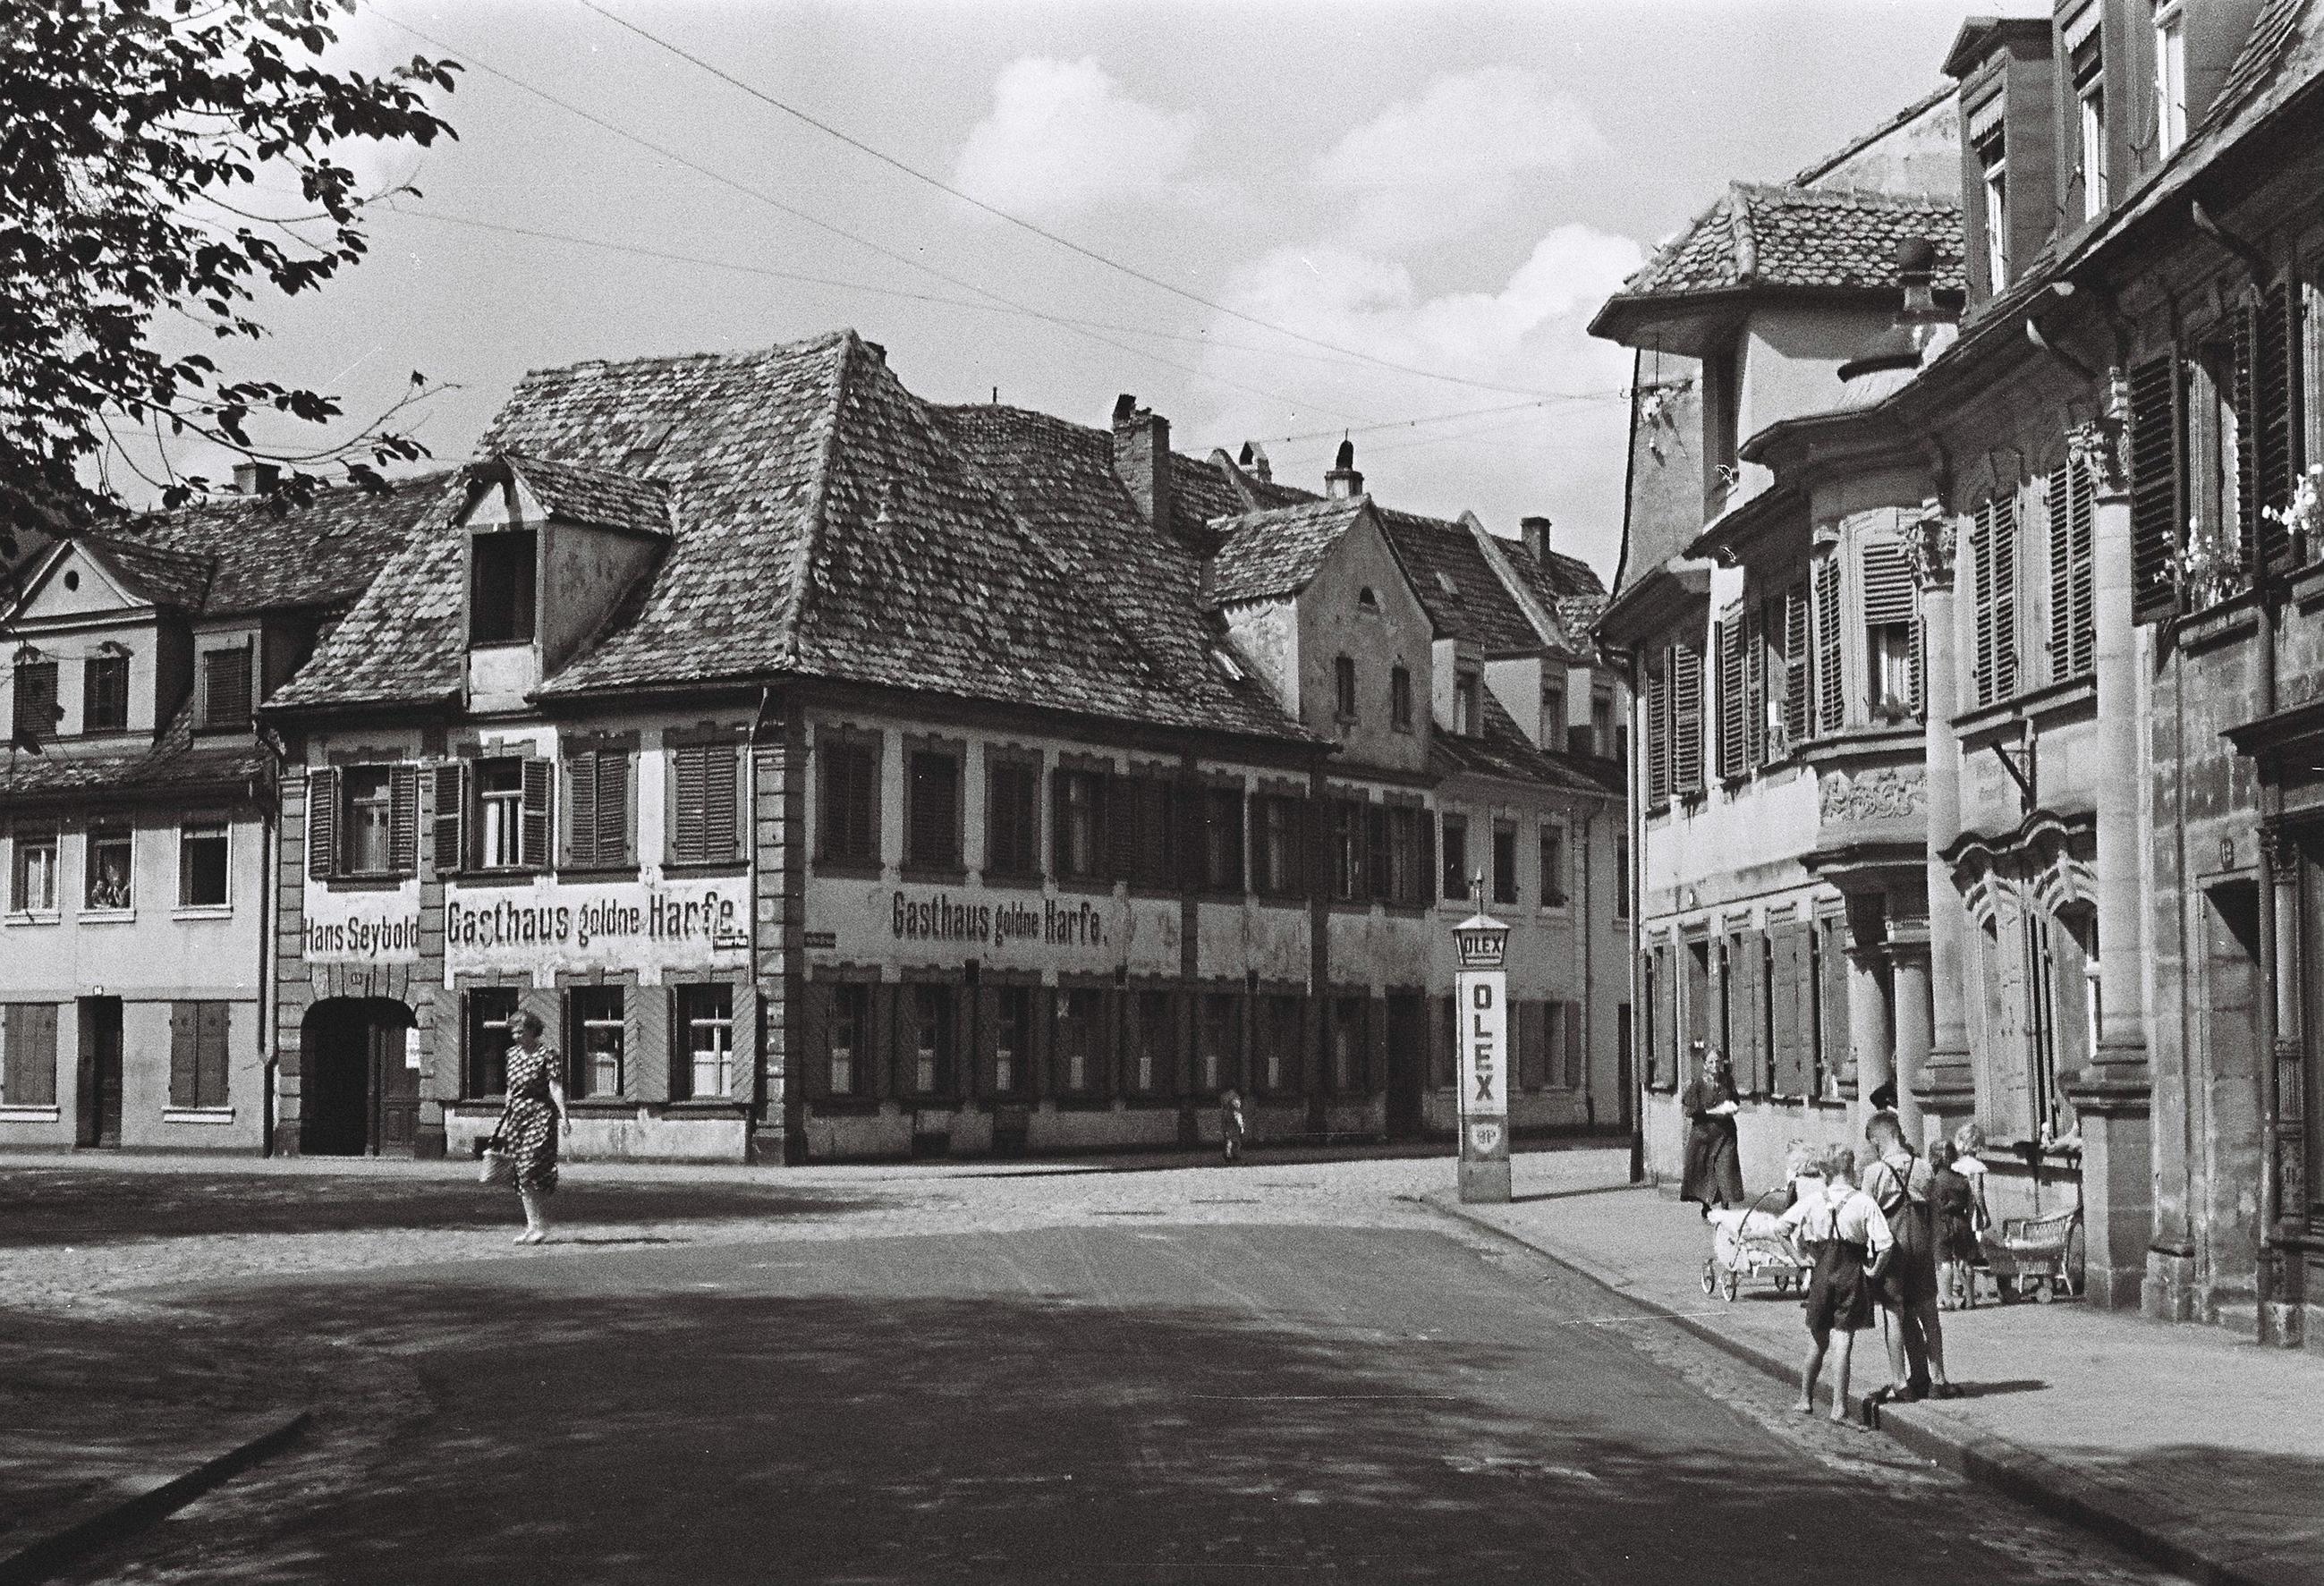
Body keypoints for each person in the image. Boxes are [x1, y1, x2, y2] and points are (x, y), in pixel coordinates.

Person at [1779, 1145, 1891, 1424]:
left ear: (1825, 1172)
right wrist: (1875, 1271)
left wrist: (1800, 1260)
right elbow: (1886, 1244)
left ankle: (1805, 1398)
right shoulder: (1864, 1202)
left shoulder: (1814, 1200)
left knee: (1817, 1340)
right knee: (1843, 1342)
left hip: (1821, 1273)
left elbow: (1780, 1229)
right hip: (1852, 1274)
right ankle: (1838, 1406)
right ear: (1851, 1169)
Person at [1861, 1110, 1956, 1402]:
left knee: (1894, 1315)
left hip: (1893, 1251)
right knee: (1929, 1314)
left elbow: (1867, 1216)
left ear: (1879, 1140)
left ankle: (1900, 1382)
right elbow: (1934, 1212)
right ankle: (1937, 1380)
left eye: (1874, 1144)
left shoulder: (1874, 1173)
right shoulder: (1925, 1168)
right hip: (1921, 1247)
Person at [496, 1010, 571, 1243]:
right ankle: (533, 1226)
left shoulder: (547, 1054)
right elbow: (510, 1088)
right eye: (513, 1032)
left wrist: (564, 1116)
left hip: (540, 1116)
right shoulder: (511, 1055)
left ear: (532, 1031)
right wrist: (505, 1118)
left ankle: (539, 1225)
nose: (516, 1036)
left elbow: (555, 1087)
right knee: (520, 1173)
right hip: (517, 1117)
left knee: (530, 1167)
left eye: (521, 1031)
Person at [1679, 1042, 1743, 1215]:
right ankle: (1706, 1204)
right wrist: (1712, 1111)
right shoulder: (1698, 1084)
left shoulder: (1727, 1081)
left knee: (1726, 1168)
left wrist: (1732, 1107)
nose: (1715, 1066)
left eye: (1718, 1062)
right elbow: (1690, 1110)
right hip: (1705, 1134)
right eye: (1711, 1063)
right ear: (1704, 1065)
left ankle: (1725, 1207)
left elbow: (1736, 1101)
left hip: (1726, 1133)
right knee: (1706, 1170)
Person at [1930, 1139, 1983, 1310]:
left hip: (1942, 1223)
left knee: (1944, 1262)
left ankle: (1947, 1299)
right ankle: (1970, 1299)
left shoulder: (1936, 1180)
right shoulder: (1963, 1180)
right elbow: (1970, 1205)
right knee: (1965, 1261)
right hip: (1961, 1222)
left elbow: (1934, 1206)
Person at [1219, 1087, 1246, 1165]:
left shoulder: (1226, 1112)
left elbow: (1224, 1121)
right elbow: (1239, 1121)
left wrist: (1223, 1128)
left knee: (1229, 1141)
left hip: (1228, 1129)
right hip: (1234, 1130)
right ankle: (1235, 1155)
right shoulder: (1236, 1113)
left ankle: (1228, 1154)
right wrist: (1241, 1127)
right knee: (1236, 1143)